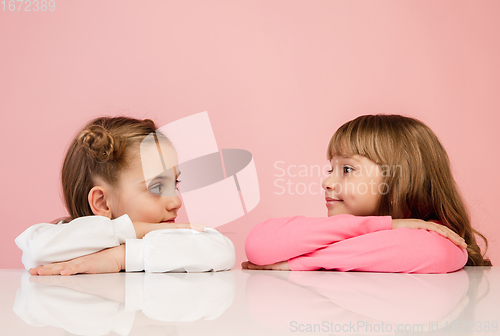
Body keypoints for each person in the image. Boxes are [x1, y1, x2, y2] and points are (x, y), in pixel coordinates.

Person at [242, 114, 491, 273]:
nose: (327, 182)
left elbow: (434, 253)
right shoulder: (346, 232)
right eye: (332, 168)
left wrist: (299, 262)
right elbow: (258, 245)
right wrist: (390, 224)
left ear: (397, 184)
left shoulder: (435, 235)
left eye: (347, 169)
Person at [16, 116, 235, 275]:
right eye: (157, 187)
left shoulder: (164, 238)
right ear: (102, 202)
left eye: (175, 184)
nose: (176, 201)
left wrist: (121, 257)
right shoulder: (67, 239)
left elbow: (222, 250)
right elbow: (36, 252)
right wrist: (133, 230)